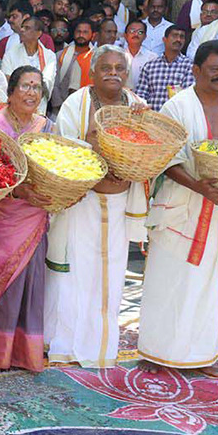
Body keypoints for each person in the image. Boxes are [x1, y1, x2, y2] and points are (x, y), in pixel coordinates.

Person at [137, 40, 218, 373]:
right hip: (183, 205)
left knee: (216, 283)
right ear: (196, 70)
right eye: (215, 70)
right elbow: (166, 160)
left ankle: (204, 355)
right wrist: (199, 187)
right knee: (170, 281)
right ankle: (157, 353)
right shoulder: (177, 107)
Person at [45, 46, 149, 369]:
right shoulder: (77, 104)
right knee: (74, 274)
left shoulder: (137, 107)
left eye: (120, 68)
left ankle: (101, 348)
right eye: (106, 67)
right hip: (82, 202)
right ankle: (65, 346)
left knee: (112, 277)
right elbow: (62, 151)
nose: (113, 73)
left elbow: (148, 150)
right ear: (93, 72)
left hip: (120, 204)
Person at [0, 66, 52, 372]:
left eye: (36, 87)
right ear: (11, 91)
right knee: (0, 282)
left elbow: (57, 165)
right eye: (25, 86)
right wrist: (20, 194)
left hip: (33, 217)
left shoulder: (47, 126)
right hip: (1, 217)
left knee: (30, 285)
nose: (31, 92)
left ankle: (23, 353)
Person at [1, 15, 55, 113]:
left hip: (39, 109)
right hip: (15, 108)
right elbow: (7, 81)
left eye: (27, 28)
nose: (22, 30)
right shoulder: (10, 54)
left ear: (38, 33)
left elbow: (47, 82)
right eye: (22, 27)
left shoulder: (49, 56)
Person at [134, 24, 193, 111]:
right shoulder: (150, 66)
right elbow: (140, 96)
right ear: (164, 39)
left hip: (176, 118)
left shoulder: (189, 65)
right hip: (151, 119)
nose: (178, 40)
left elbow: (188, 95)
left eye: (182, 37)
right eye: (174, 36)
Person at [52, 18, 96, 109]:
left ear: (93, 35)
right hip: (61, 108)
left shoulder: (97, 57)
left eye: (85, 32)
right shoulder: (60, 55)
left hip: (89, 108)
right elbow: (54, 83)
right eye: (78, 31)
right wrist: (61, 106)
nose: (81, 35)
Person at [121, 18, 155, 88]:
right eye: (132, 31)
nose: (136, 34)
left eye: (140, 32)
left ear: (145, 36)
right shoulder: (118, 55)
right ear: (125, 35)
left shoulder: (152, 58)